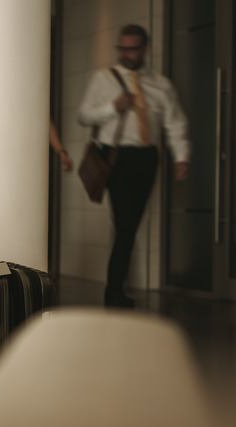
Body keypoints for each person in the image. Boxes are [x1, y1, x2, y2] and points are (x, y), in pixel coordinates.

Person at [78, 24, 190, 308]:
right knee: (126, 224)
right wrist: (112, 108)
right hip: (115, 158)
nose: (127, 54)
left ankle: (117, 289)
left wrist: (181, 157)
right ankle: (114, 291)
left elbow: (175, 122)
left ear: (144, 48)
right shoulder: (104, 78)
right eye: (122, 48)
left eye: (132, 48)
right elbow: (83, 115)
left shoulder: (161, 85)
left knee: (129, 225)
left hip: (146, 159)